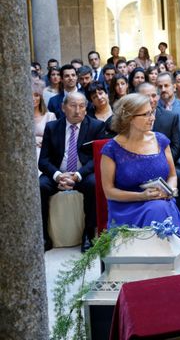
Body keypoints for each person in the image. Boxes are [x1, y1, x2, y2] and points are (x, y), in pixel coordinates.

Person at [100, 94, 180, 235]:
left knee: (159, 208)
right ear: (129, 118)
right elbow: (109, 192)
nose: (153, 118)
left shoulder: (161, 140)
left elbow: (173, 175)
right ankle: (162, 253)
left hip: (162, 202)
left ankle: (160, 254)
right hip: (126, 209)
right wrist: (142, 196)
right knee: (157, 209)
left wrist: (170, 190)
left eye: (152, 112)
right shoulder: (111, 149)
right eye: (146, 114)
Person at [39, 92, 106, 252]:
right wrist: (58, 176)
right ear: (63, 108)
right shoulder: (52, 127)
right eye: (73, 106)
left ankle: (88, 234)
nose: (77, 110)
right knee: (40, 186)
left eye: (82, 106)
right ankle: (43, 236)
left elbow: (97, 159)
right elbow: (43, 160)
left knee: (93, 183)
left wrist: (77, 176)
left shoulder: (96, 126)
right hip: (58, 174)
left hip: (82, 174)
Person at [138, 80, 180, 217]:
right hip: (138, 163)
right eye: (146, 96)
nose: (151, 99)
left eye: (154, 95)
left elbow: (176, 146)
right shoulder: (131, 119)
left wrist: (159, 164)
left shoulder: (170, 117)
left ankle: (177, 218)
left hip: (166, 162)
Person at [33, 80, 57, 172]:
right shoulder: (22, 118)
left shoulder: (50, 116)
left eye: (36, 95)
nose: (33, 98)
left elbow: (55, 139)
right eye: (30, 95)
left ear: (41, 97)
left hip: (44, 153)